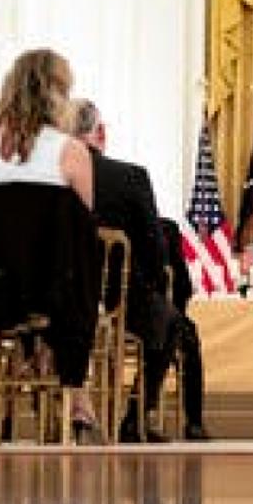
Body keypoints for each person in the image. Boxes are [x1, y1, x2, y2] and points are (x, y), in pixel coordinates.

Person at [0, 48, 100, 441]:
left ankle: (26, 361)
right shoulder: (70, 152)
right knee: (79, 262)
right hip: (55, 294)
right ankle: (75, 391)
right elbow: (82, 232)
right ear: (59, 96)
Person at [72, 99, 208, 441]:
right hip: (120, 298)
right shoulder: (130, 177)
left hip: (66, 297)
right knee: (171, 323)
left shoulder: (54, 178)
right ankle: (136, 417)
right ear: (101, 133)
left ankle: (57, 417)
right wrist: (156, 287)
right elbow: (154, 250)